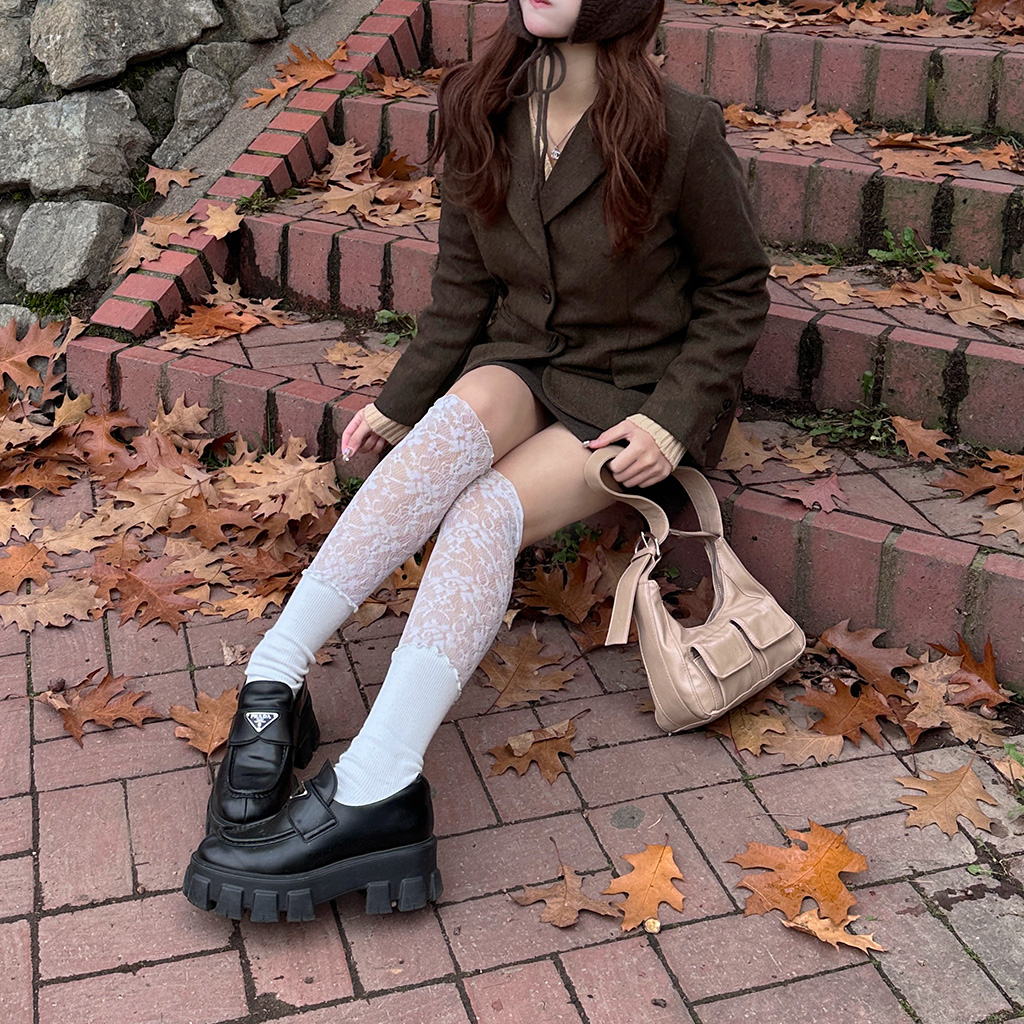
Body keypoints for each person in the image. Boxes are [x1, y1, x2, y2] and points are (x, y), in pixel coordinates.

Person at [182, 0, 770, 923]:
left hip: (632, 388)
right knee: (443, 436)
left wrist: (671, 419)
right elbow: (464, 285)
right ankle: (275, 678)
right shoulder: (481, 104)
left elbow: (736, 289)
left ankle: (379, 785)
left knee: (483, 512)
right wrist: (399, 400)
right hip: (525, 356)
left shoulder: (681, 131)